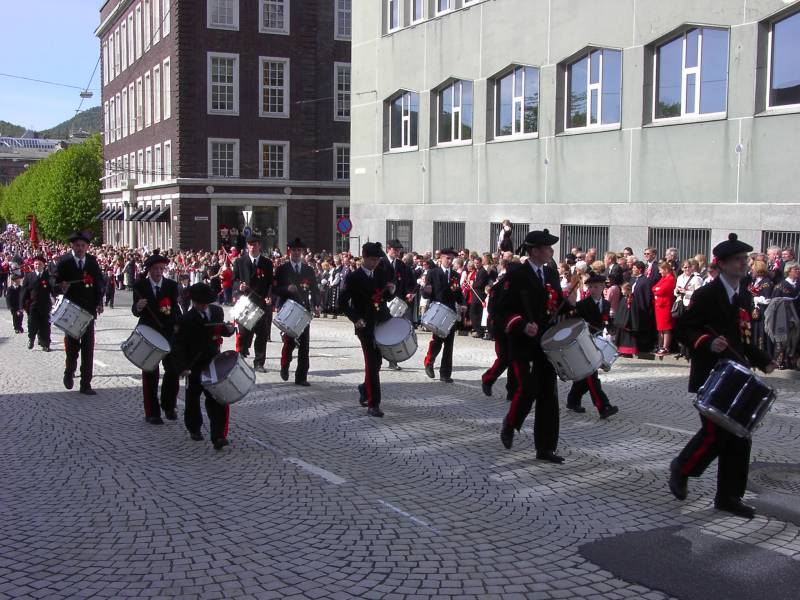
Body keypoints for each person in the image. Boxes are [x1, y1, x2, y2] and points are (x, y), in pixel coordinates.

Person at [668, 233, 776, 518]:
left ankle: (729, 497)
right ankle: (682, 467)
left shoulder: (742, 295)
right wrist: (706, 341)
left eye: (745, 260)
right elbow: (683, 329)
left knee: (740, 437)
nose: (744, 264)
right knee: (716, 433)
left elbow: (741, 340)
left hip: (736, 377)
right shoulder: (708, 293)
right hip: (711, 374)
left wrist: (763, 360)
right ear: (724, 264)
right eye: (739, 260)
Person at [499, 229, 565, 463]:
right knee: (528, 389)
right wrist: (522, 324)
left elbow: (556, 304)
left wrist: (571, 306)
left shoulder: (551, 273)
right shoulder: (516, 274)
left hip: (546, 343)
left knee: (549, 394)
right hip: (522, 343)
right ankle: (511, 423)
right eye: (547, 248)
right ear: (535, 251)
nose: (551, 251)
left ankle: (545, 448)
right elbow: (500, 308)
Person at [173, 282, 236, 450]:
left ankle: (218, 436)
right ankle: (194, 428)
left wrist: (229, 329)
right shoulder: (186, 319)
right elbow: (178, 345)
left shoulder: (216, 311)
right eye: (199, 303)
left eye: (205, 302)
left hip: (212, 362)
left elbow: (220, 329)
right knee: (192, 399)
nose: (203, 305)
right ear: (193, 302)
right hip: (194, 363)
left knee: (216, 399)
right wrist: (182, 366)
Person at [339, 242, 394, 417]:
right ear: (364, 258)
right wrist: (356, 319)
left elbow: (384, 295)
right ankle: (373, 404)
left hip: (382, 321)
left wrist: (391, 291)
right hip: (365, 325)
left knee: (377, 362)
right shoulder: (353, 277)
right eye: (372, 259)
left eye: (377, 259)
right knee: (371, 362)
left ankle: (364, 389)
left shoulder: (381, 272)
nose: (375, 263)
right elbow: (342, 303)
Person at [131, 252, 181, 424]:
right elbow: (135, 311)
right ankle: (152, 412)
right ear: (149, 270)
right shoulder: (140, 286)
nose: (159, 272)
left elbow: (175, 308)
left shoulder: (171, 286)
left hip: (168, 333)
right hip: (149, 334)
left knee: (173, 370)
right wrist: (138, 306)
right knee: (150, 372)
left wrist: (178, 325)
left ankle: (168, 405)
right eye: (155, 269)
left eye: (161, 268)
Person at [55, 231, 104, 395]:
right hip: (71, 310)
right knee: (72, 348)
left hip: (88, 311)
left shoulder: (92, 262)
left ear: (88, 247)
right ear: (72, 246)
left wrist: (99, 302)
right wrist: (60, 287)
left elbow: (99, 283)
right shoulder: (64, 262)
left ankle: (86, 384)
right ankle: (69, 372)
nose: (81, 248)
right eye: (77, 245)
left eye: (83, 245)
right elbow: (53, 283)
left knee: (88, 348)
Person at [565, 273, 619, 418]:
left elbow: (607, 322)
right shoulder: (583, 304)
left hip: (597, 342)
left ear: (602, 287)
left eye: (596, 286)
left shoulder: (606, 304)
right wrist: (583, 324)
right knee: (591, 375)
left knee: (587, 375)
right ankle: (603, 406)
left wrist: (611, 332)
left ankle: (573, 401)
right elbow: (572, 321)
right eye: (590, 286)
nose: (593, 289)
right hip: (583, 344)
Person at [274, 238, 321, 386]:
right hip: (288, 308)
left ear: (302, 252)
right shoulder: (282, 269)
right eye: (293, 250)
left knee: (304, 344)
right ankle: (285, 364)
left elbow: (314, 289)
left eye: (298, 250)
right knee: (289, 342)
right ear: (289, 251)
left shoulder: (308, 270)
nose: (296, 253)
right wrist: (286, 289)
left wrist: (317, 304)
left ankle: (301, 376)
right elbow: (274, 289)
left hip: (303, 310)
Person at [232, 234, 274, 372]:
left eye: (255, 244)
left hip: (260, 302)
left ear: (259, 246)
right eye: (250, 245)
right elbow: (234, 280)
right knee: (243, 332)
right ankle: (242, 354)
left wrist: (269, 296)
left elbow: (270, 283)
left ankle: (259, 362)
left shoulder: (267, 263)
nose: (252, 247)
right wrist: (239, 286)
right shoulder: (239, 262)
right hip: (245, 302)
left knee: (262, 334)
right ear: (247, 246)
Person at [422, 248, 464, 383]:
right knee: (437, 341)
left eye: (452, 259)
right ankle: (429, 362)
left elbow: (459, 293)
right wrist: (426, 291)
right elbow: (425, 293)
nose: (450, 261)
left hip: (450, 312)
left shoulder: (455, 275)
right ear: (441, 258)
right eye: (448, 258)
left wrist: (463, 303)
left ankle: (445, 374)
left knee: (449, 344)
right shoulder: (433, 273)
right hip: (438, 310)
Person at [381, 239, 415, 370]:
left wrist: (409, 293)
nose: (398, 252)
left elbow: (410, 282)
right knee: (380, 331)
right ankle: (376, 360)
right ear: (388, 249)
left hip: (398, 304)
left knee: (394, 333)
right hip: (383, 303)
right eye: (395, 250)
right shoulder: (381, 263)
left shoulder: (401, 265)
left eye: (399, 250)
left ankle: (392, 360)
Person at [21, 254, 54, 351]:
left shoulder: (48, 276)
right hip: (32, 305)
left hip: (45, 304)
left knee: (45, 325)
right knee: (32, 323)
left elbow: (53, 289)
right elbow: (24, 292)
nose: (37, 266)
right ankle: (31, 339)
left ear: (43, 265)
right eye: (36, 264)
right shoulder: (29, 276)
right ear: (33, 265)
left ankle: (45, 344)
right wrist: (21, 305)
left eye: (39, 264)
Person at [653, 260, 677, 357]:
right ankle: (660, 345)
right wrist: (657, 290)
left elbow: (661, 291)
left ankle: (665, 347)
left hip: (665, 306)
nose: (659, 272)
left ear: (666, 269)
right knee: (660, 328)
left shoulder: (670, 279)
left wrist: (657, 290)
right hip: (659, 306)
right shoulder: (664, 278)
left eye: (661, 270)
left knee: (666, 328)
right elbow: (654, 288)